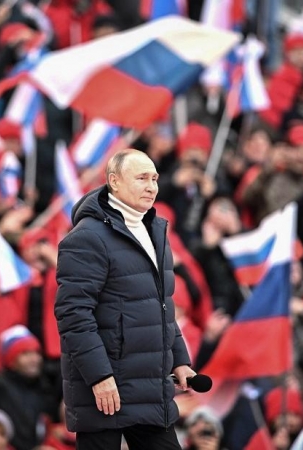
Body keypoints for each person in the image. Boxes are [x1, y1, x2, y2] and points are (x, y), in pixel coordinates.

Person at [55, 149, 194, 449]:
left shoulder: (156, 230)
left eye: (155, 178)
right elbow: (73, 314)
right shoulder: (86, 237)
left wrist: (180, 358)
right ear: (114, 182)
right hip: (105, 391)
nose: (151, 186)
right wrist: (99, 376)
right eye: (142, 177)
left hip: (150, 389)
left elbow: (160, 306)